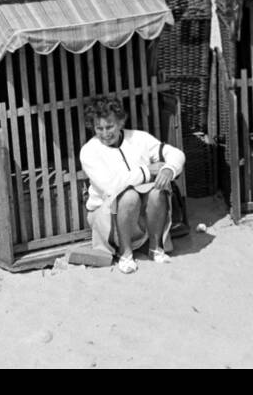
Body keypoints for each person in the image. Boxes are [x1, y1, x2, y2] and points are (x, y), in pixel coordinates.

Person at [78, 97, 186, 274]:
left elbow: (176, 154)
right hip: (106, 214)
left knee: (157, 192)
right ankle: (125, 254)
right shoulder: (89, 151)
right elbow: (111, 187)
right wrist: (147, 171)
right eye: (99, 128)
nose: (105, 133)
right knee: (129, 196)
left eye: (110, 126)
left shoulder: (139, 138)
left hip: (139, 213)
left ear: (121, 121)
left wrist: (168, 169)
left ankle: (155, 248)